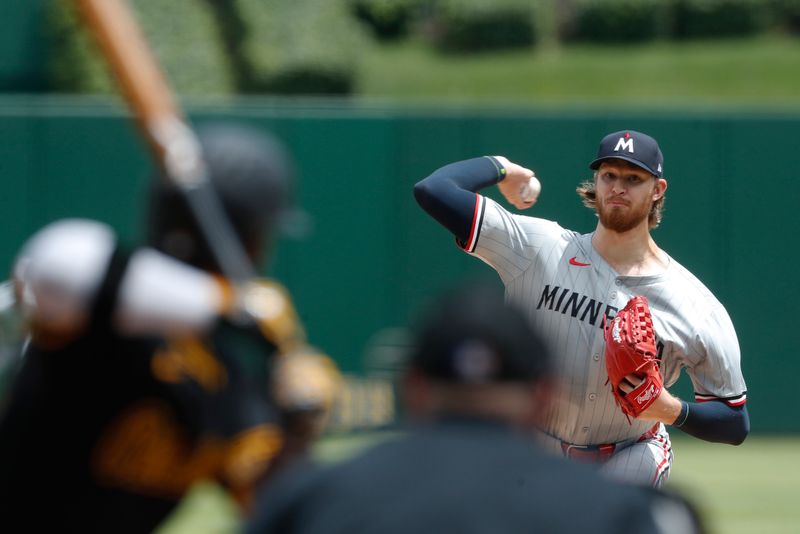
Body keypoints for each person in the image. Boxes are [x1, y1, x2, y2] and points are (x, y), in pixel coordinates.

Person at [0, 123, 339, 532]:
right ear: (248, 235)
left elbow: (278, 510)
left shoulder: (233, 369)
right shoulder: (103, 319)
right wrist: (227, 306)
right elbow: (56, 264)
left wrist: (295, 428)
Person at [413, 130, 749, 488]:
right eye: (609, 175)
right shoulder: (538, 248)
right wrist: (503, 168)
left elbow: (733, 421)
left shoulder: (695, 305)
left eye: (633, 178)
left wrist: (670, 409)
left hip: (630, 453)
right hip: (532, 448)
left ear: (657, 190)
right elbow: (434, 190)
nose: (618, 187)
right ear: (597, 181)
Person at [245, 284, 705, 534]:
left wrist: (289, 450)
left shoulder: (313, 498)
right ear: (544, 394)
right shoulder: (620, 512)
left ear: (414, 389)